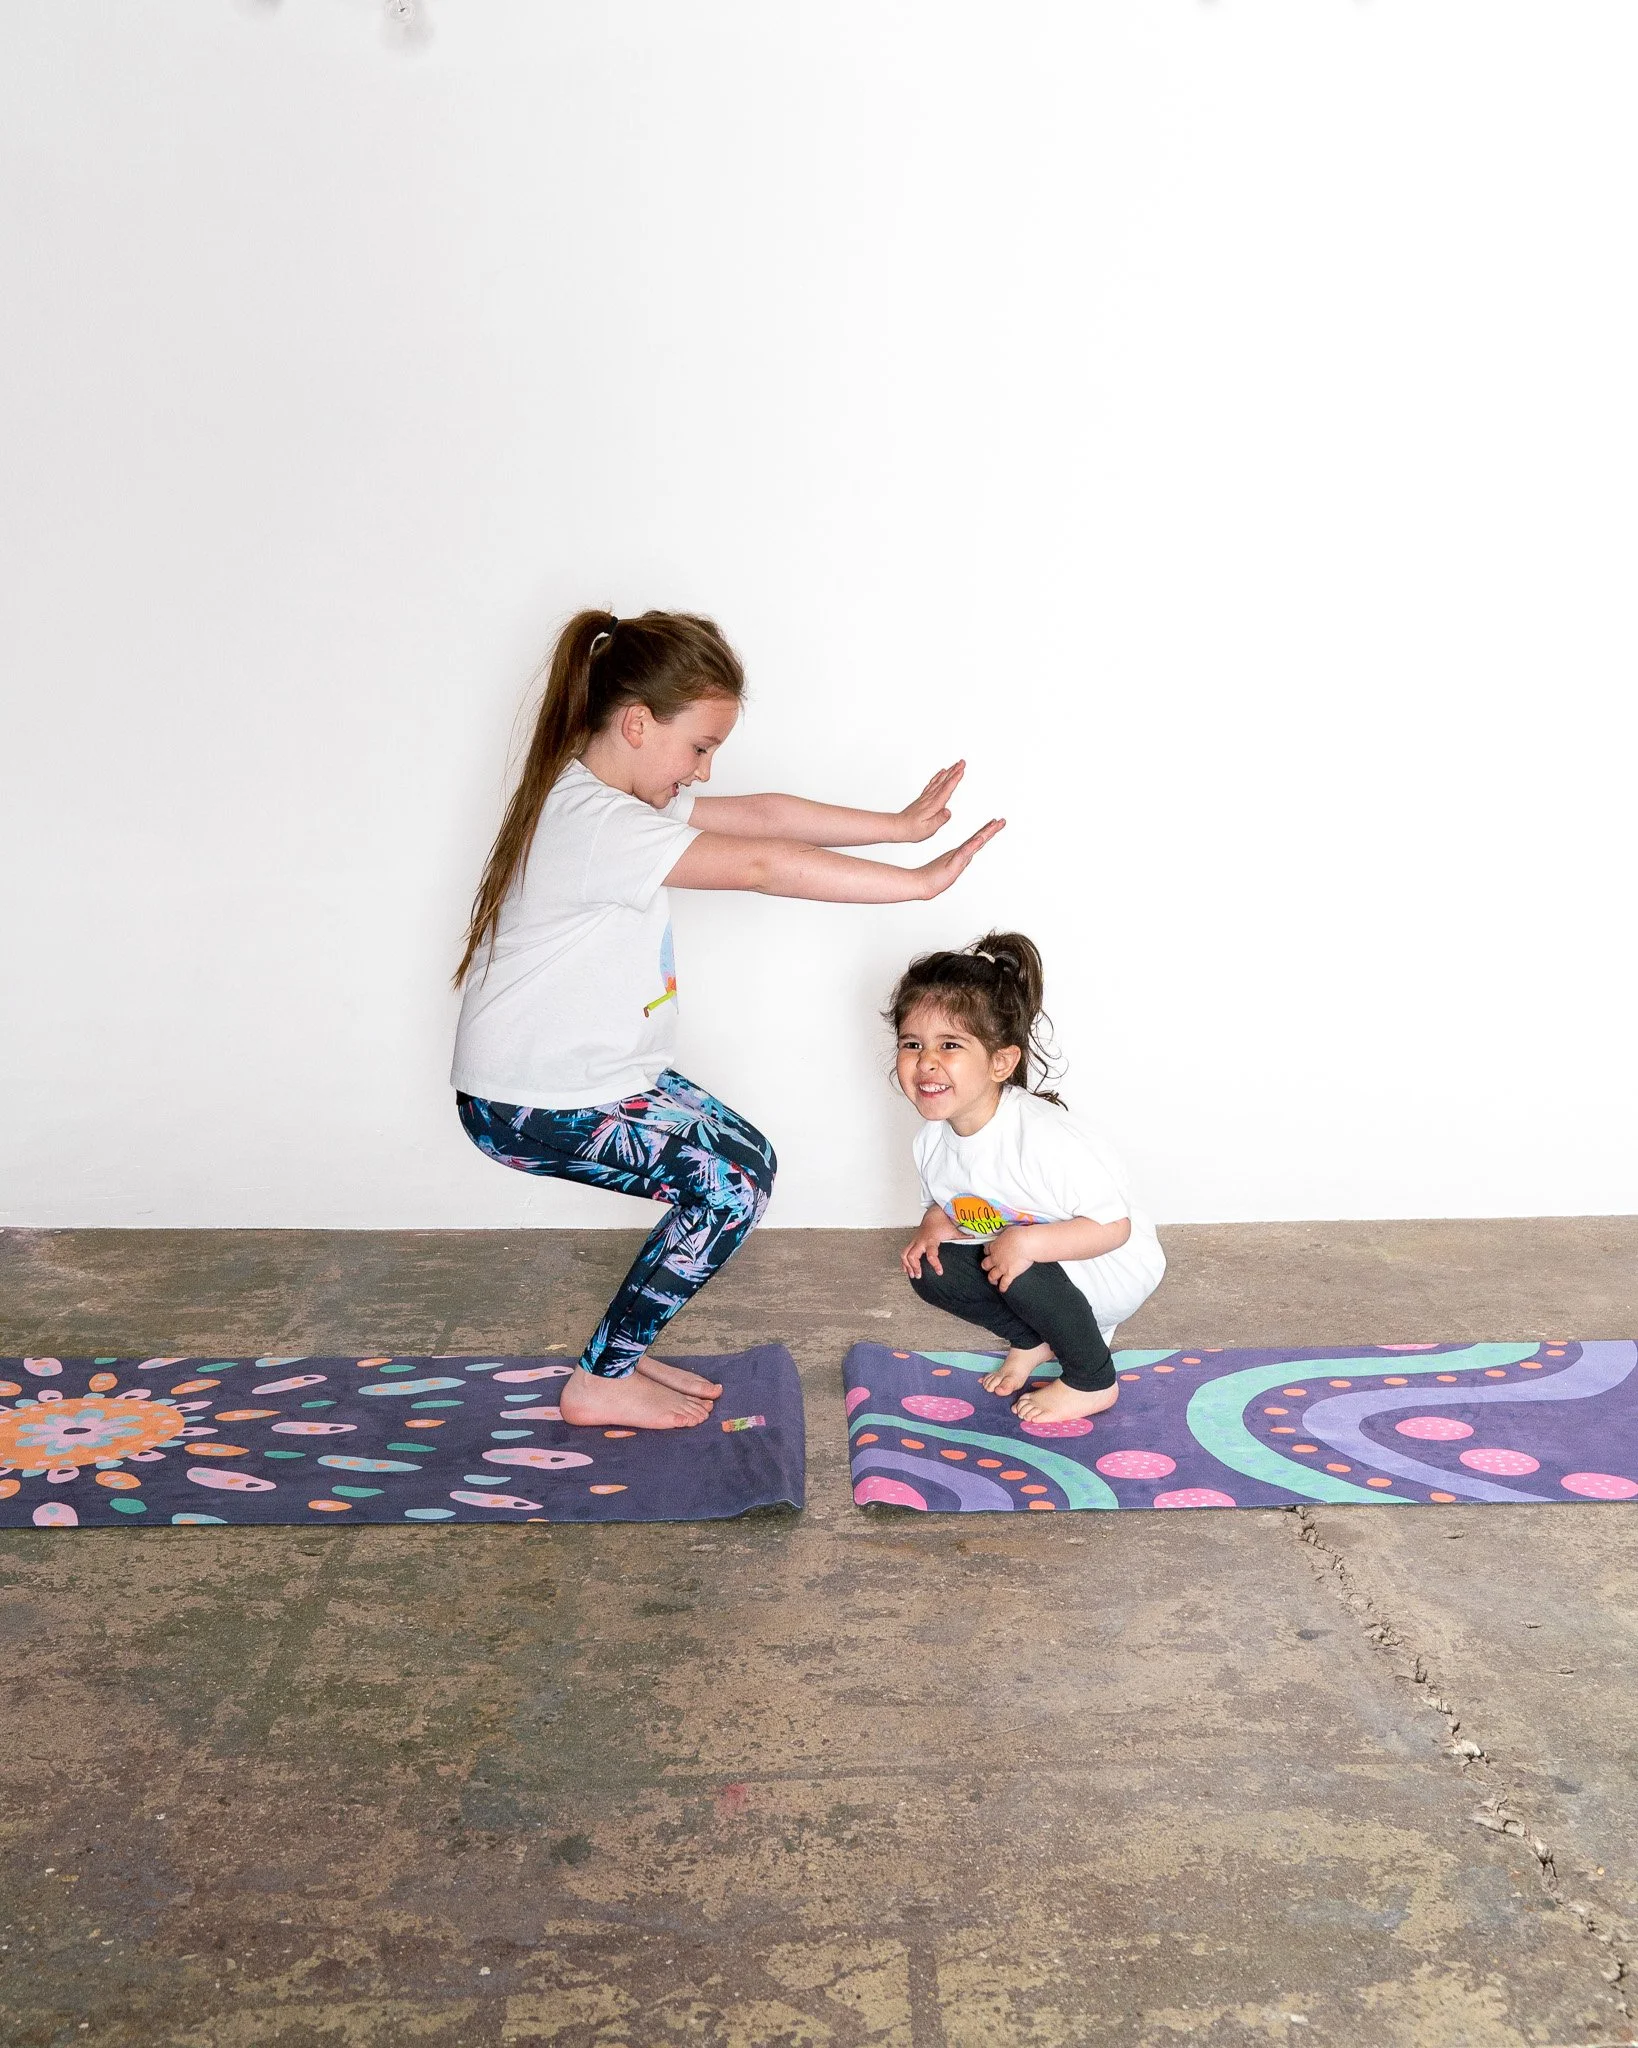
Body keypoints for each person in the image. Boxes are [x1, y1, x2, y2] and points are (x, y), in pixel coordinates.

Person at [452, 607, 1004, 1430]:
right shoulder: (595, 824)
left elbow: (767, 817)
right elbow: (759, 864)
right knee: (729, 1188)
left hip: (596, 1079)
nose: (704, 773)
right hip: (531, 1100)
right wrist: (916, 885)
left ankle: (620, 1356)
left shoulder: (608, 799)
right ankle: (601, 1379)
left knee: (747, 1162)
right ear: (637, 723)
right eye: (700, 747)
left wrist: (898, 829)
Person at [892, 932, 1164, 1424]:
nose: (926, 1061)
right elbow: (955, 1201)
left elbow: (1114, 1228)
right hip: (1035, 1265)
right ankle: (1034, 1339)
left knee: (1015, 1257)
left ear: (1001, 1062)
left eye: (949, 1045)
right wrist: (934, 1227)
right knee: (932, 1270)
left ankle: (1091, 1379)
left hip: (1110, 1263)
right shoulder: (931, 1141)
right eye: (912, 1044)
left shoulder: (1043, 1138)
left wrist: (1028, 1246)